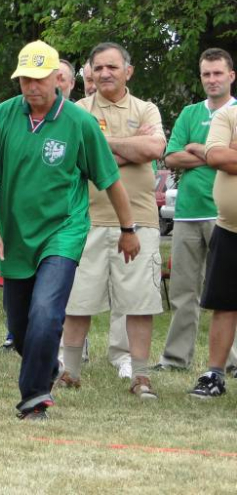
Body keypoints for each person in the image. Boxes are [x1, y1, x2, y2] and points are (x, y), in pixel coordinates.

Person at [0, 40, 139, 420]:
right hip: (16, 236)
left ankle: (34, 398)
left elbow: (110, 180)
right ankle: (48, 368)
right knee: (21, 329)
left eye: (39, 79)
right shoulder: (3, 117)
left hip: (64, 231)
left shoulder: (79, 123)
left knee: (46, 313)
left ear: (57, 78)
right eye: (24, 79)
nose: (31, 87)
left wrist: (128, 228)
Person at [59, 42, 166, 398]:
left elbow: (155, 150)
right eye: (98, 68)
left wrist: (103, 146)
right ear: (89, 72)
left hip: (139, 222)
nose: (105, 73)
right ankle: (70, 372)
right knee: (78, 300)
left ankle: (140, 375)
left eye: (113, 67)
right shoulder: (77, 109)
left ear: (128, 71)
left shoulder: (146, 108)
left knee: (138, 302)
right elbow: (74, 156)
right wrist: (129, 149)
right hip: (85, 220)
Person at [159, 49, 237, 371]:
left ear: (231, 75)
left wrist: (200, 150)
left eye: (218, 73)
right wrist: (216, 154)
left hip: (226, 217)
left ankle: (232, 363)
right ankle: (176, 359)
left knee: (232, 295)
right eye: (206, 74)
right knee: (183, 291)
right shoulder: (190, 113)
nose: (212, 79)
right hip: (188, 212)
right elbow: (171, 156)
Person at [187, 79, 237, 398]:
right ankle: (214, 375)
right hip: (230, 229)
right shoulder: (228, 115)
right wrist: (226, 152)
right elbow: (216, 156)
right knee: (225, 305)